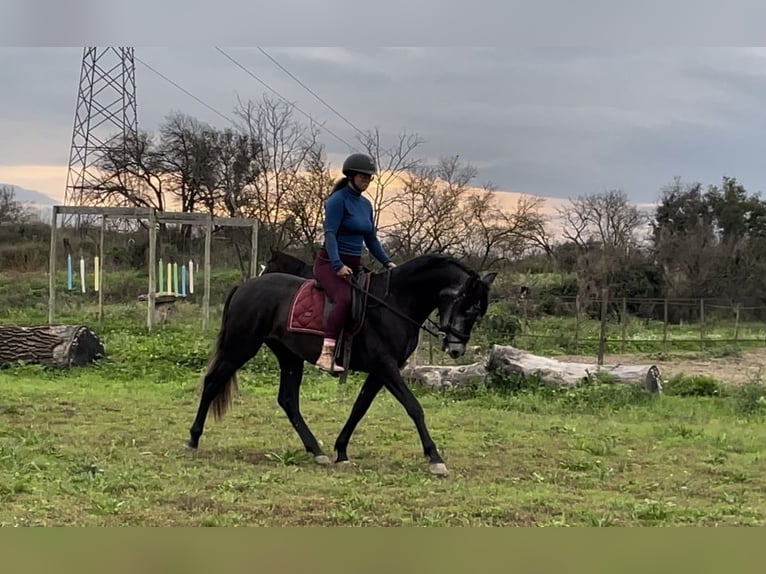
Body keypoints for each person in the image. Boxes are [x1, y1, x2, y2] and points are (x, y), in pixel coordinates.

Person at [312, 152, 396, 373]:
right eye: (363, 177)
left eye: (369, 178)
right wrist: (337, 265)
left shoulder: (366, 206)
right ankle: (326, 354)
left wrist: (388, 263)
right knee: (344, 299)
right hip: (329, 264)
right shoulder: (337, 201)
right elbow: (330, 234)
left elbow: (371, 239)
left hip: (354, 266)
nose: (366, 181)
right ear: (350, 176)